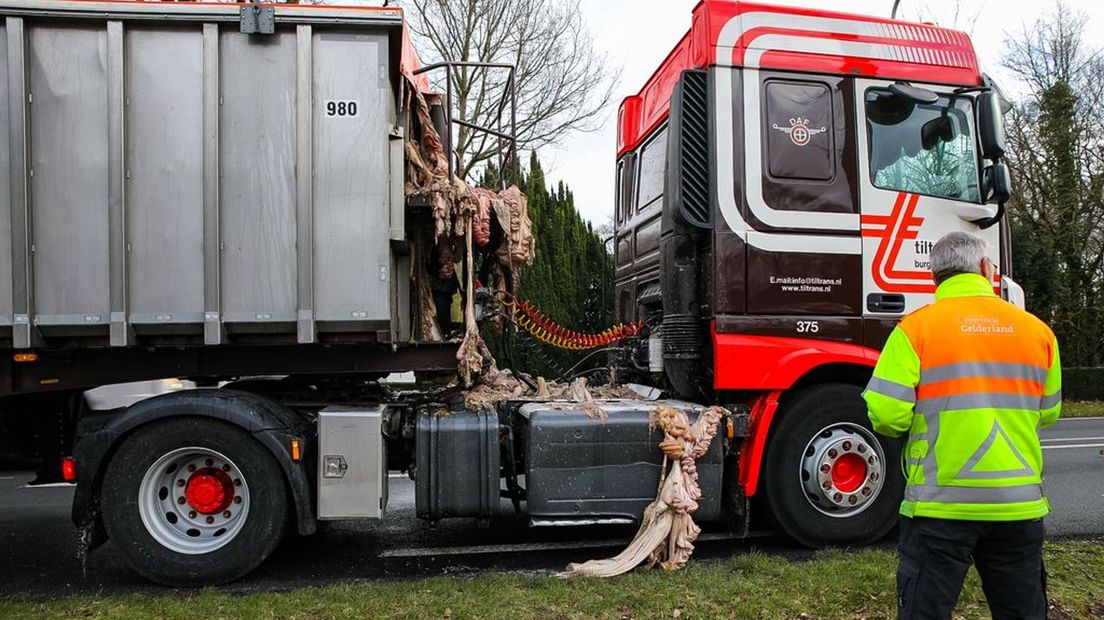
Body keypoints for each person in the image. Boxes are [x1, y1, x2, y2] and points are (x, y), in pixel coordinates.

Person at [863, 231, 1061, 620]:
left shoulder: (915, 330)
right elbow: (1049, 411)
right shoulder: (1038, 331)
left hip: (940, 505)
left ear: (934, 277)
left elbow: (887, 416)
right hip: (1017, 507)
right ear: (987, 269)